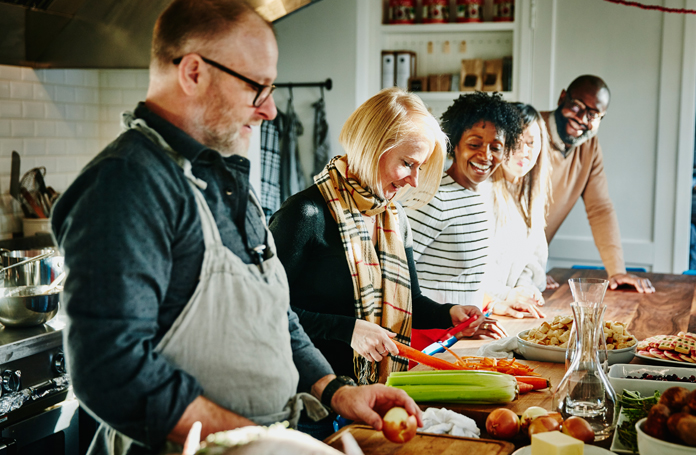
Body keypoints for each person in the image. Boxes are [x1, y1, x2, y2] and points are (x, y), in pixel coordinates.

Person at [50, 2, 422, 454]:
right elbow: (110, 369)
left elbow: (274, 315)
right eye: (257, 88)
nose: (268, 111)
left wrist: (334, 389)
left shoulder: (227, 178)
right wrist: (252, 442)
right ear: (193, 72)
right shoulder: (126, 183)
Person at [269, 88, 489, 389]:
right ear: (372, 147)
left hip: (376, 390)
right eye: (408, 163)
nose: (413, 180)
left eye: (420, 168)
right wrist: (348, 330)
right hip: (312, 393)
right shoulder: (305, 214)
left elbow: (410, 302)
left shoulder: (394, 217)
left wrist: (448, 313)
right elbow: (265, 309)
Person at [407, 92, 523, 310]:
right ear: (455, 144)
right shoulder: (433, 197)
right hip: (431, 333)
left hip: (462, 328)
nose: (486, 155)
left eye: (496, 147)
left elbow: (466, 279)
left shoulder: (480, 196)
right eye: (474, 144)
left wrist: (495, 304)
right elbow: (396, 273)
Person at [541, 75, 654, 293]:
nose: (582, 118)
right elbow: (505, 206)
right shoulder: (530, 131)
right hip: (493, 261)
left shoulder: (589, 147)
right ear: (562, 98)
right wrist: (525, 268)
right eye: (577, 106)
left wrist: (617, 271)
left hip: (529, 263)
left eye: (593, 114)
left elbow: (600, 209)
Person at [483, 103, 553, 319]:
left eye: (531, 143)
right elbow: (471, 272)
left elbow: (530, 260)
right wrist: (508, 294)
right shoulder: (483, 192)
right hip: (481, 309)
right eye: (516, 142)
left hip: (507, 308)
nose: (524, 152)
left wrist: (524, 289)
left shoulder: (529, 195)